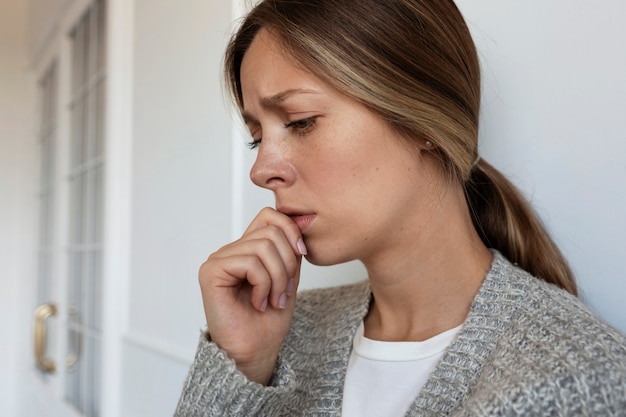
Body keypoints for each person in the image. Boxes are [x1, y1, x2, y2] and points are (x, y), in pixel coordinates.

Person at [175, 0, 626, 415]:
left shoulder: (576, 380)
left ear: (420, 118)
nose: (261, 170)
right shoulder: (285, 334)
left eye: (300, 122)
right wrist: (241, 365)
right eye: (258, 136)